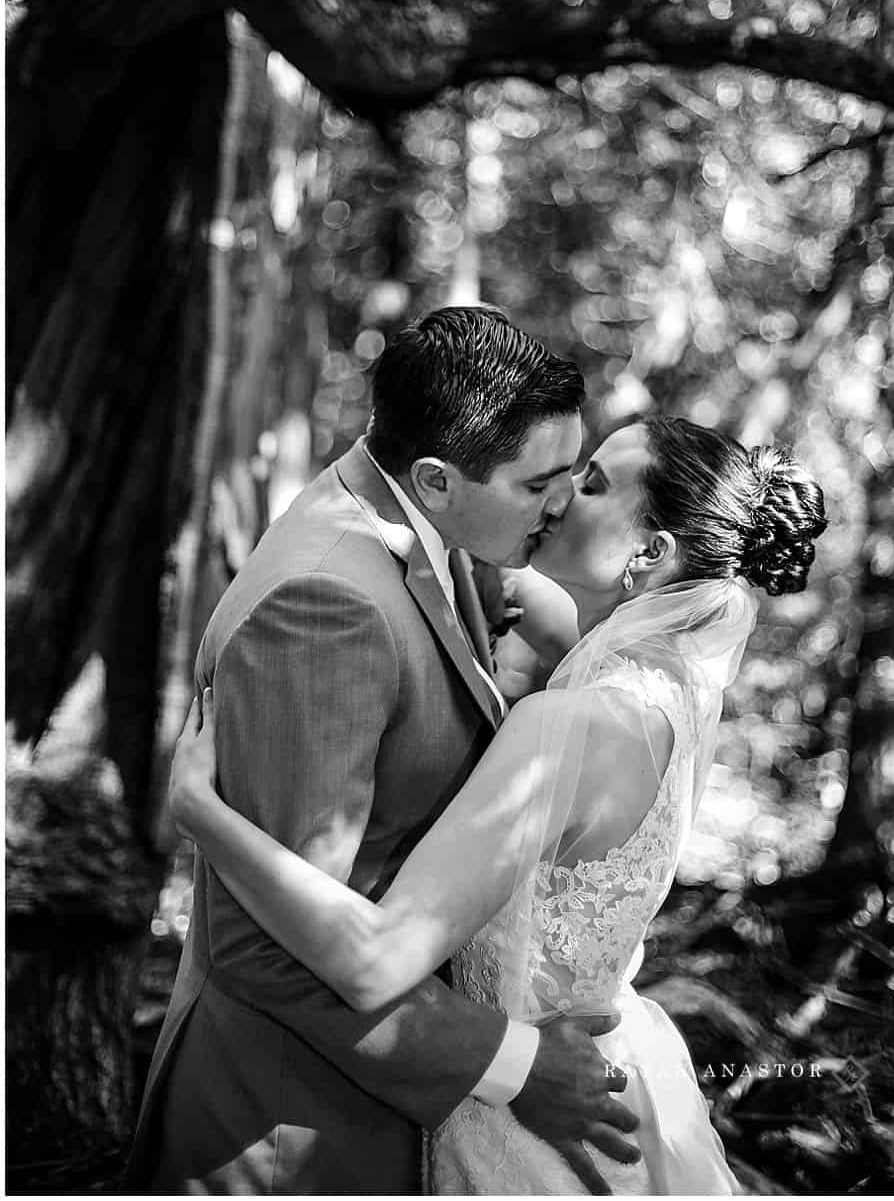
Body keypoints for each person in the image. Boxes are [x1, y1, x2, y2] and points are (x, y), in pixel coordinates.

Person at [168, 416, 828, 1194]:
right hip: (625, 1074)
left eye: (589, 483)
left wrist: (200, 809)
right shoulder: (678, 687)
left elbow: (379, 958)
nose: (556, 495)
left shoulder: (561, 729)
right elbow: (522, 604)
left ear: (650, 554)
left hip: (517, 1118)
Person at [127, 306, 643, 1196]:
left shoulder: (420, 525)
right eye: (538, 485)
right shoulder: (328, 604)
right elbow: (267, 946)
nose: (561, 503)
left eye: (572, 474)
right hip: (288, 1124)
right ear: (437, 478)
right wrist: (518, 1064)